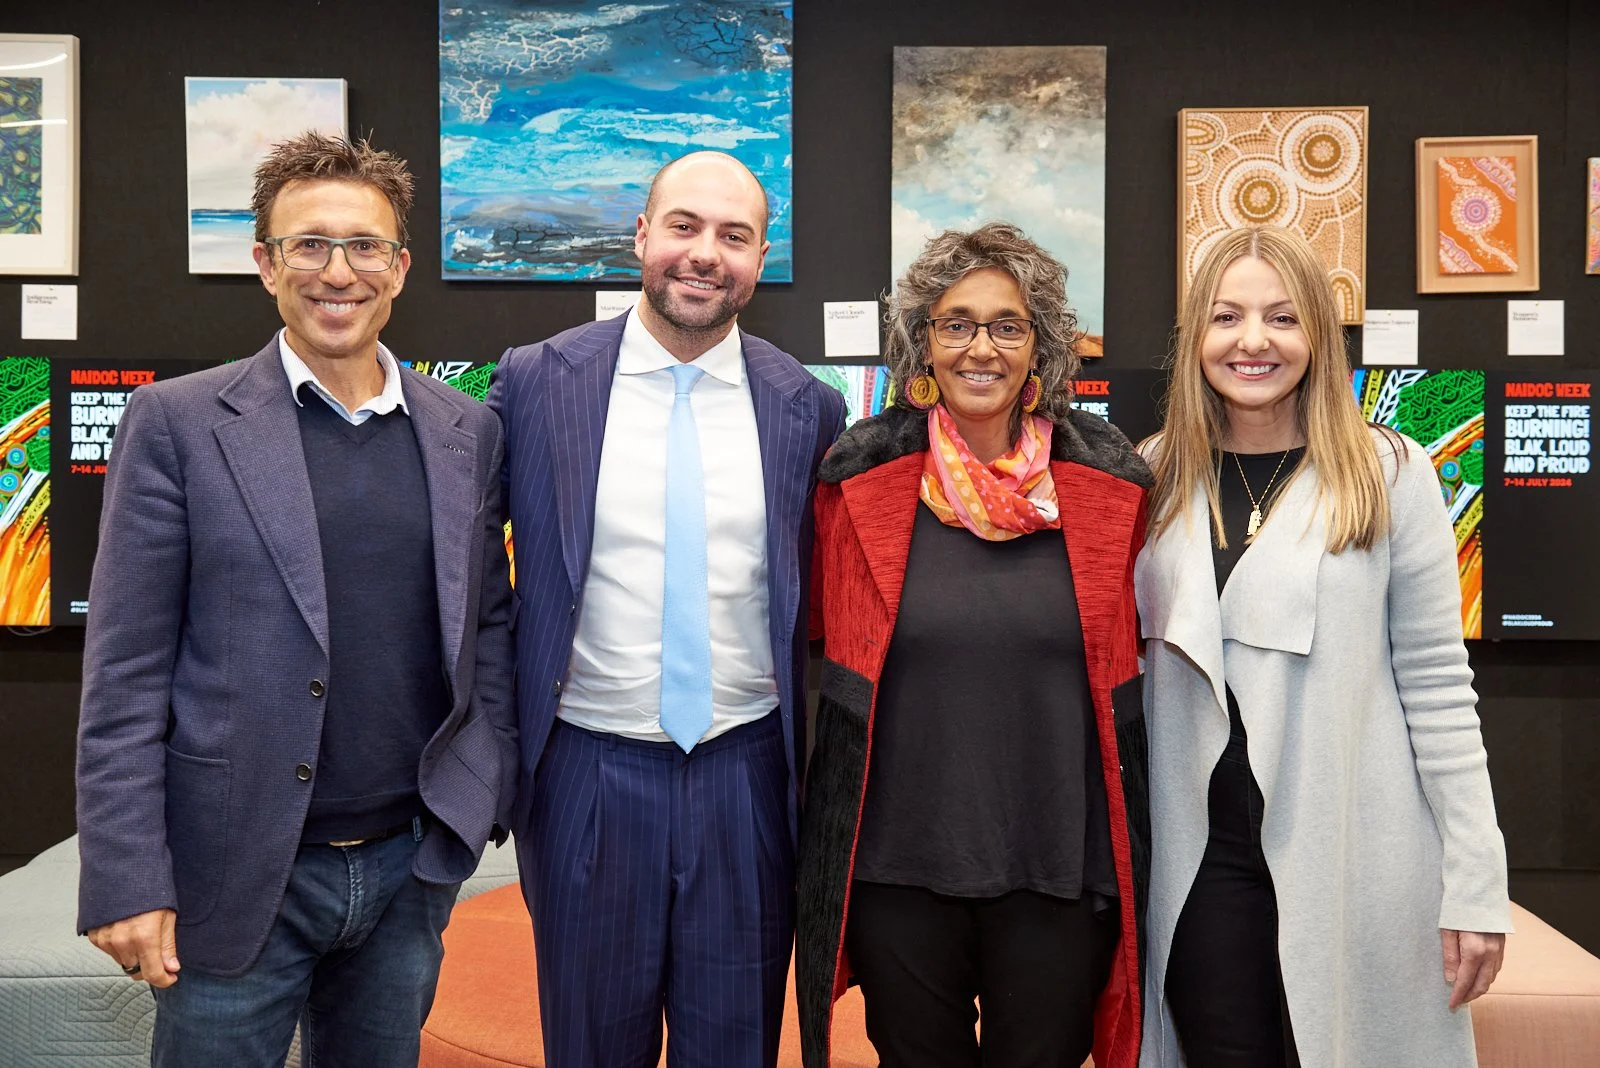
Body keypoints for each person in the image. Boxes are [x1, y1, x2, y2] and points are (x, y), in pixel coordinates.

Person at [75, 132, 516, 1068]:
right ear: (266, 264)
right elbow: (125, 671)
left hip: (408, 869)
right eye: (308, 245)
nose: (337, 271)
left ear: (400, 267)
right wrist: (124, 874)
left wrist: (481, 797)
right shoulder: (179, 424)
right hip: (233, 874)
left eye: (363, 246)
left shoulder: (467, 432)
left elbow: (488, 628)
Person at [488, 150, 846, 1067]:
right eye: (683, 226)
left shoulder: (806, 406)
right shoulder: (535, 382)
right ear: (641, 236)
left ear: (762, 259)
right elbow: (477, 586)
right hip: (585, 776)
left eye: (734, 236)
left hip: (747, 779)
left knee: (734, 1048)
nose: (704, 254)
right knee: (592, 1047)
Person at [1137, 224, 1510, 1067]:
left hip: (1357, 861)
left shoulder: (1390, 471)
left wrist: (1476, 881)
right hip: (1199, 875)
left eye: (1283, 316)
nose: (1254, 340)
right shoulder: (1150, 475)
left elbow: (1440, 689)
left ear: (1320, 334)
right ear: (1196, 335)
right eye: (1227, 317)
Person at [795, 222, 1151, 1068]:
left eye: (1007, 325)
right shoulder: (856, 483)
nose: (979, 348)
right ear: (923, 343)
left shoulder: (1114, 488)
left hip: (1060, 871)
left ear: (1043, 348)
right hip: (897, 870)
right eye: (955, 324)